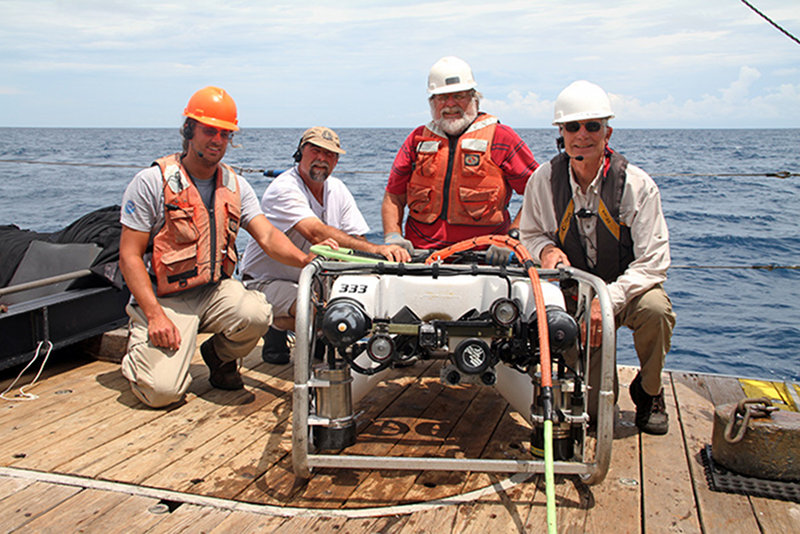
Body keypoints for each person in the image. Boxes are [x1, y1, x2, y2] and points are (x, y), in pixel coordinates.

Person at [118, 87, 336, 408]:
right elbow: (129, 255)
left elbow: (268, 237)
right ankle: (141, 351)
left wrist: (305, 259)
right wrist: (154, 315)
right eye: (209, 130)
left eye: (225, 133)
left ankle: (218, 358)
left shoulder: (235, 185)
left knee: (257, 312)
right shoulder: (152, 181)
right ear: (190, 130)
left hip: (213, 290)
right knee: (162, 393)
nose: (217, 140)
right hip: (166, 300)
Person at [519, 80, 676, 435]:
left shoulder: (637, 185)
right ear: (561, 132)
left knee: (656, 311)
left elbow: (654, 262)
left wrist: (606, 300)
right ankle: (589, 387)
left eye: (593, 126)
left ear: (608, 131)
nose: (583, 135)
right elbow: (529, 234)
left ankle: (649, 392)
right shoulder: (543, 181)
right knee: (591, 416)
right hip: (575, 292)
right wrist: (546, 249)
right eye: (573, 126)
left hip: (626, 291)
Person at [240, 127, 411, 364]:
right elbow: (315, 233)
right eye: (315, 150)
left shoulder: (338, 189)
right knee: (322, 316)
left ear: (337, 161)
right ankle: (275, 326)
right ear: (300, 153)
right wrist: (377, 249)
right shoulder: (283, 188)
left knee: (364, 302)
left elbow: (357, 239)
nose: (322, 158)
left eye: (330, 154)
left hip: (312, 280)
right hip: (266, 280)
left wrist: (383, 260)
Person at [381, 56, 538, 263]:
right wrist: (393, 236)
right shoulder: (416, 140)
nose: (451, 104)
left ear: (475, 98)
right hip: (421, 259)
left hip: (485, 261)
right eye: (442, 98)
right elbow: (394, 196)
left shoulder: (503, 138)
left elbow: (537, 193)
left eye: (459, 96)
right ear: (432, 103)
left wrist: (513, 237)